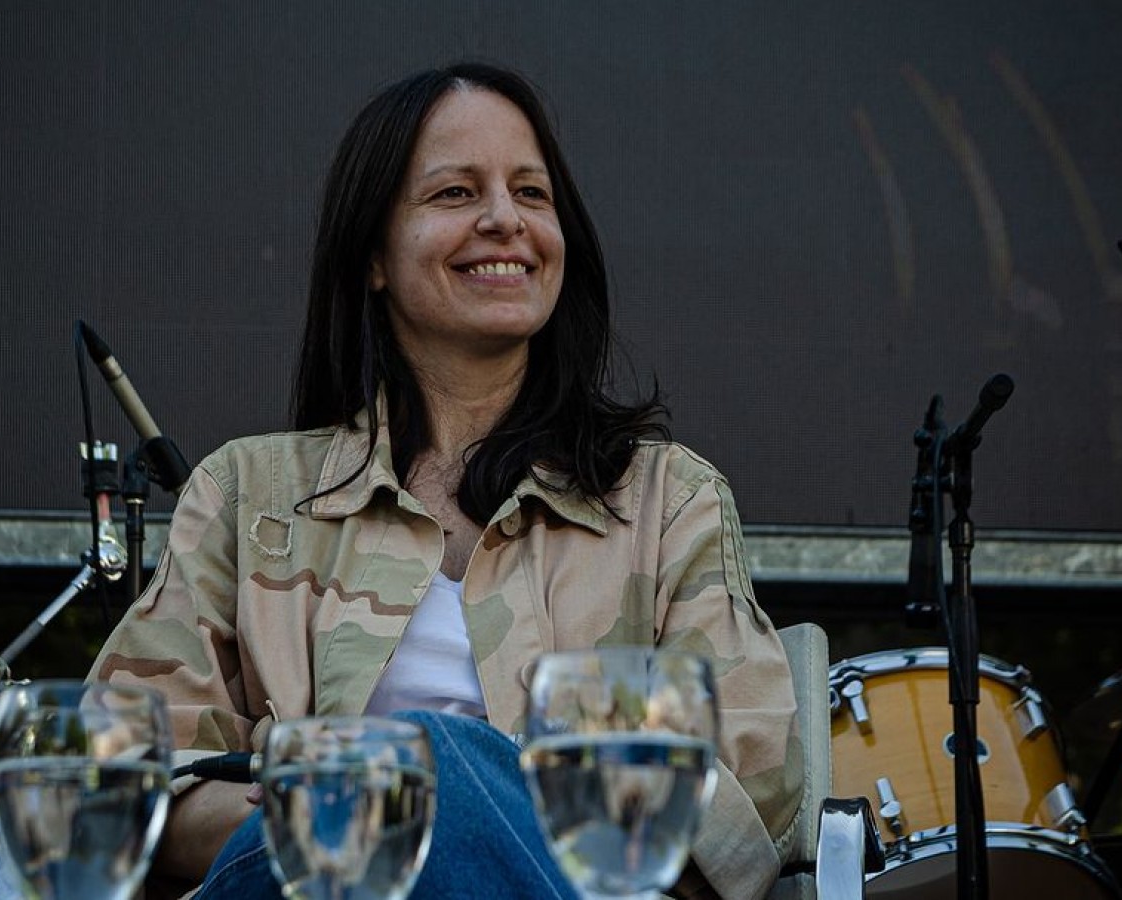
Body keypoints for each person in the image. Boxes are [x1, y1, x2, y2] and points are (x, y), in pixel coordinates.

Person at [89, 62, 799, 900]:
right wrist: (355, 814)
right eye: (457, 193)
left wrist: (447, 788)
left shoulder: (665, 500)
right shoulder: (246, 496)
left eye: (532, 194)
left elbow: (751, 800)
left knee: (433, 759)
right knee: (419, 770)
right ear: (374, 256)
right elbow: (116, 786)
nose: (505, 220)